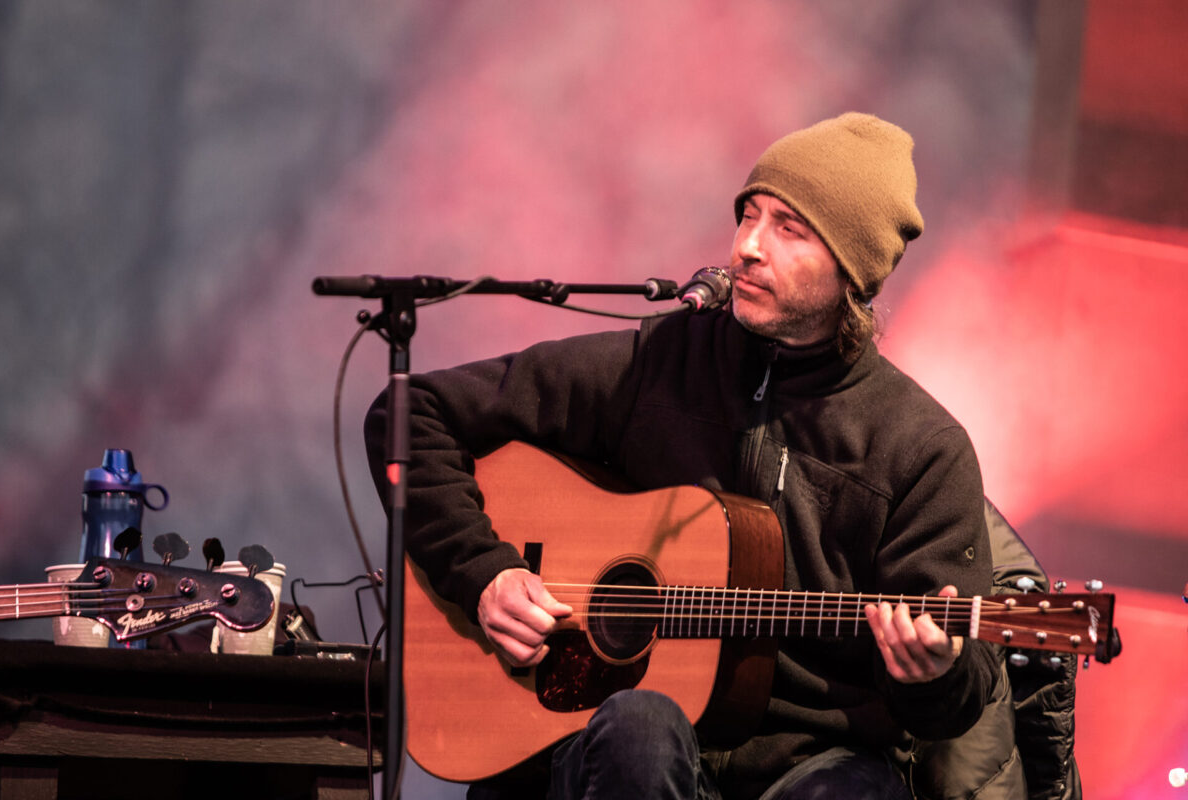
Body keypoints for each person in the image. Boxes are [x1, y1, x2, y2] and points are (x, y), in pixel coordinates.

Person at [366, 112, 998, 799]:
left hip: (812, 767)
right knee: (641, 727)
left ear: (853, 270)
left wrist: (934, 671)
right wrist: (484, 572)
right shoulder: (662, 361)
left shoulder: (921, 448)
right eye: (749, 215)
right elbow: (409, 414)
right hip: (626, 752)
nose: (748, 248)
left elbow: (962, 696)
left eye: (789, 229)